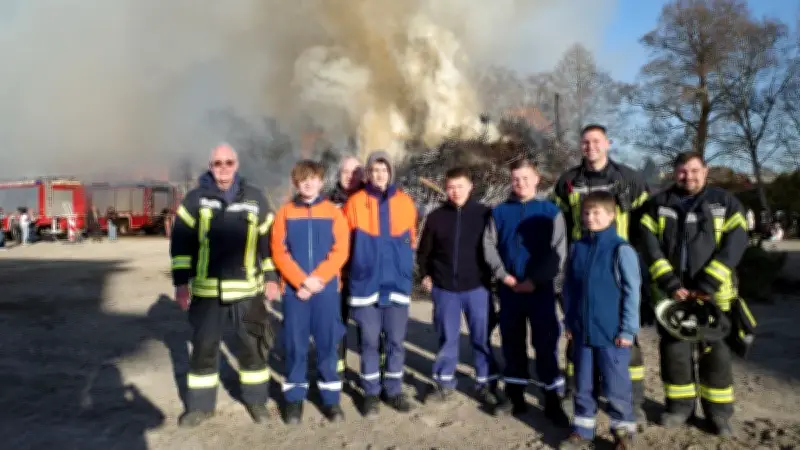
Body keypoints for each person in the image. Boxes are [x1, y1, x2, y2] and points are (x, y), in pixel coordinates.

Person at [169, 143, 280, 427]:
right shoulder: (195, 200)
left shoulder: (256, 198)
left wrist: (270, 278)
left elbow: (268, 243)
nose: (223, 169)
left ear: (237, 164)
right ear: (210, 166)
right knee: (204, 348)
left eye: (228, 163)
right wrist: (182, 284)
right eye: (218, 163)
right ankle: (201, 407)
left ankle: (256, 402)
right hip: (208, 292)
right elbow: (181, 243)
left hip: (247, 291)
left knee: (253, 347)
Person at [639, 151, 747, 436]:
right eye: (683, 171)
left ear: (706, 170)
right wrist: (671, 284)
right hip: (674, 297)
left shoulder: (725, 203)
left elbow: (734, 245)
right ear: (674, 173)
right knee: (675, 352)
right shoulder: (658, 205)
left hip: (714, 296)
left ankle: (719, 413)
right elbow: (650, 249)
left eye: (695, 170)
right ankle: (679, 407)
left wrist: (708, 283)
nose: (689, 176)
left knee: (717, 355)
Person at [551, 124, 650, 427]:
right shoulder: (568, 181)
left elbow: (646, 224)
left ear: (608, 143)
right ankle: (574, 396)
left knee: (626, 342)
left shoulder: (629, 179)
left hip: (616, 265)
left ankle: (633, 403)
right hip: (581, 262)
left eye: (596, 141)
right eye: (585, 141)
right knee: (578, 339)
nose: (590, 146)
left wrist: (637, 262)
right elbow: (559, 223)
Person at [416, 167, 511, 414]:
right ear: (445, 189)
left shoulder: (484, 214)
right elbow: (423, 251)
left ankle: (487, 383)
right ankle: (444, 383)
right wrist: (425, 274)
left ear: (470, 187)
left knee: (481, 338)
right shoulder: (436, 217)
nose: (455, 191)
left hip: (477, 287)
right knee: (448, 337)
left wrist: (495, 280)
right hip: (445, 288)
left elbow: (496, 248)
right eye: (450, 187)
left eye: (460, 186)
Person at [483, 158, 570, 426]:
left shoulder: (550, 211)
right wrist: (504, 276)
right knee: (512, 342)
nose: (520, 183)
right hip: (509, 290)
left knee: (545, 343)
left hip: (540, 291)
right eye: (515, 179)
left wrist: (535, 280)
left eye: (525, 178)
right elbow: (489, 245)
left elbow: (559, 252)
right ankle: (515, 395)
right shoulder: (499, 212)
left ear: (537, 179)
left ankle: (552, 399)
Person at [271, 160, 350, 424]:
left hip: (326, 291)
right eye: (302, 179)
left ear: (321, 181)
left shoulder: (333, 213)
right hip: (295, 293)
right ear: (296, 183)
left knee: (328, 346)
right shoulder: (284, 213)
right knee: (295, 345)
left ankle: (331, 400)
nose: (308, 183)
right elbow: (279, 252)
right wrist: (300, 281)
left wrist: (318, 279)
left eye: (313, 178)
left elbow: (341, 250)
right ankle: (294, 399)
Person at [560, 191, 641, 450]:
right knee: (582, 384)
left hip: (612, 333)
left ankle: (623, 432)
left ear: (611, 215)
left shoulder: (621, 249)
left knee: (616, 384)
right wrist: (569, 321)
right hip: (582, 332)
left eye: (596, 213)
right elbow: (569, 289)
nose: (590, 218)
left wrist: (628, 330)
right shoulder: (577, 248)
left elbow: (632, 293)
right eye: (586, 213)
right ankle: (583, 430)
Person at [343, 150, 417, 417]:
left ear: (391, 173)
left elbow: (411, 241)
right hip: (366, 286)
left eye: (383, 170)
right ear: (368, 174)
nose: (379, 175)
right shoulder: (355, 203)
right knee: (369, 343)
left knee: (396, 342)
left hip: (397, 284)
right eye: (374, 170)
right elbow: (344, 245)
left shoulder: (406, 203)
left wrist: (405, 273)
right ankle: (371, 393)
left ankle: (393, 390)